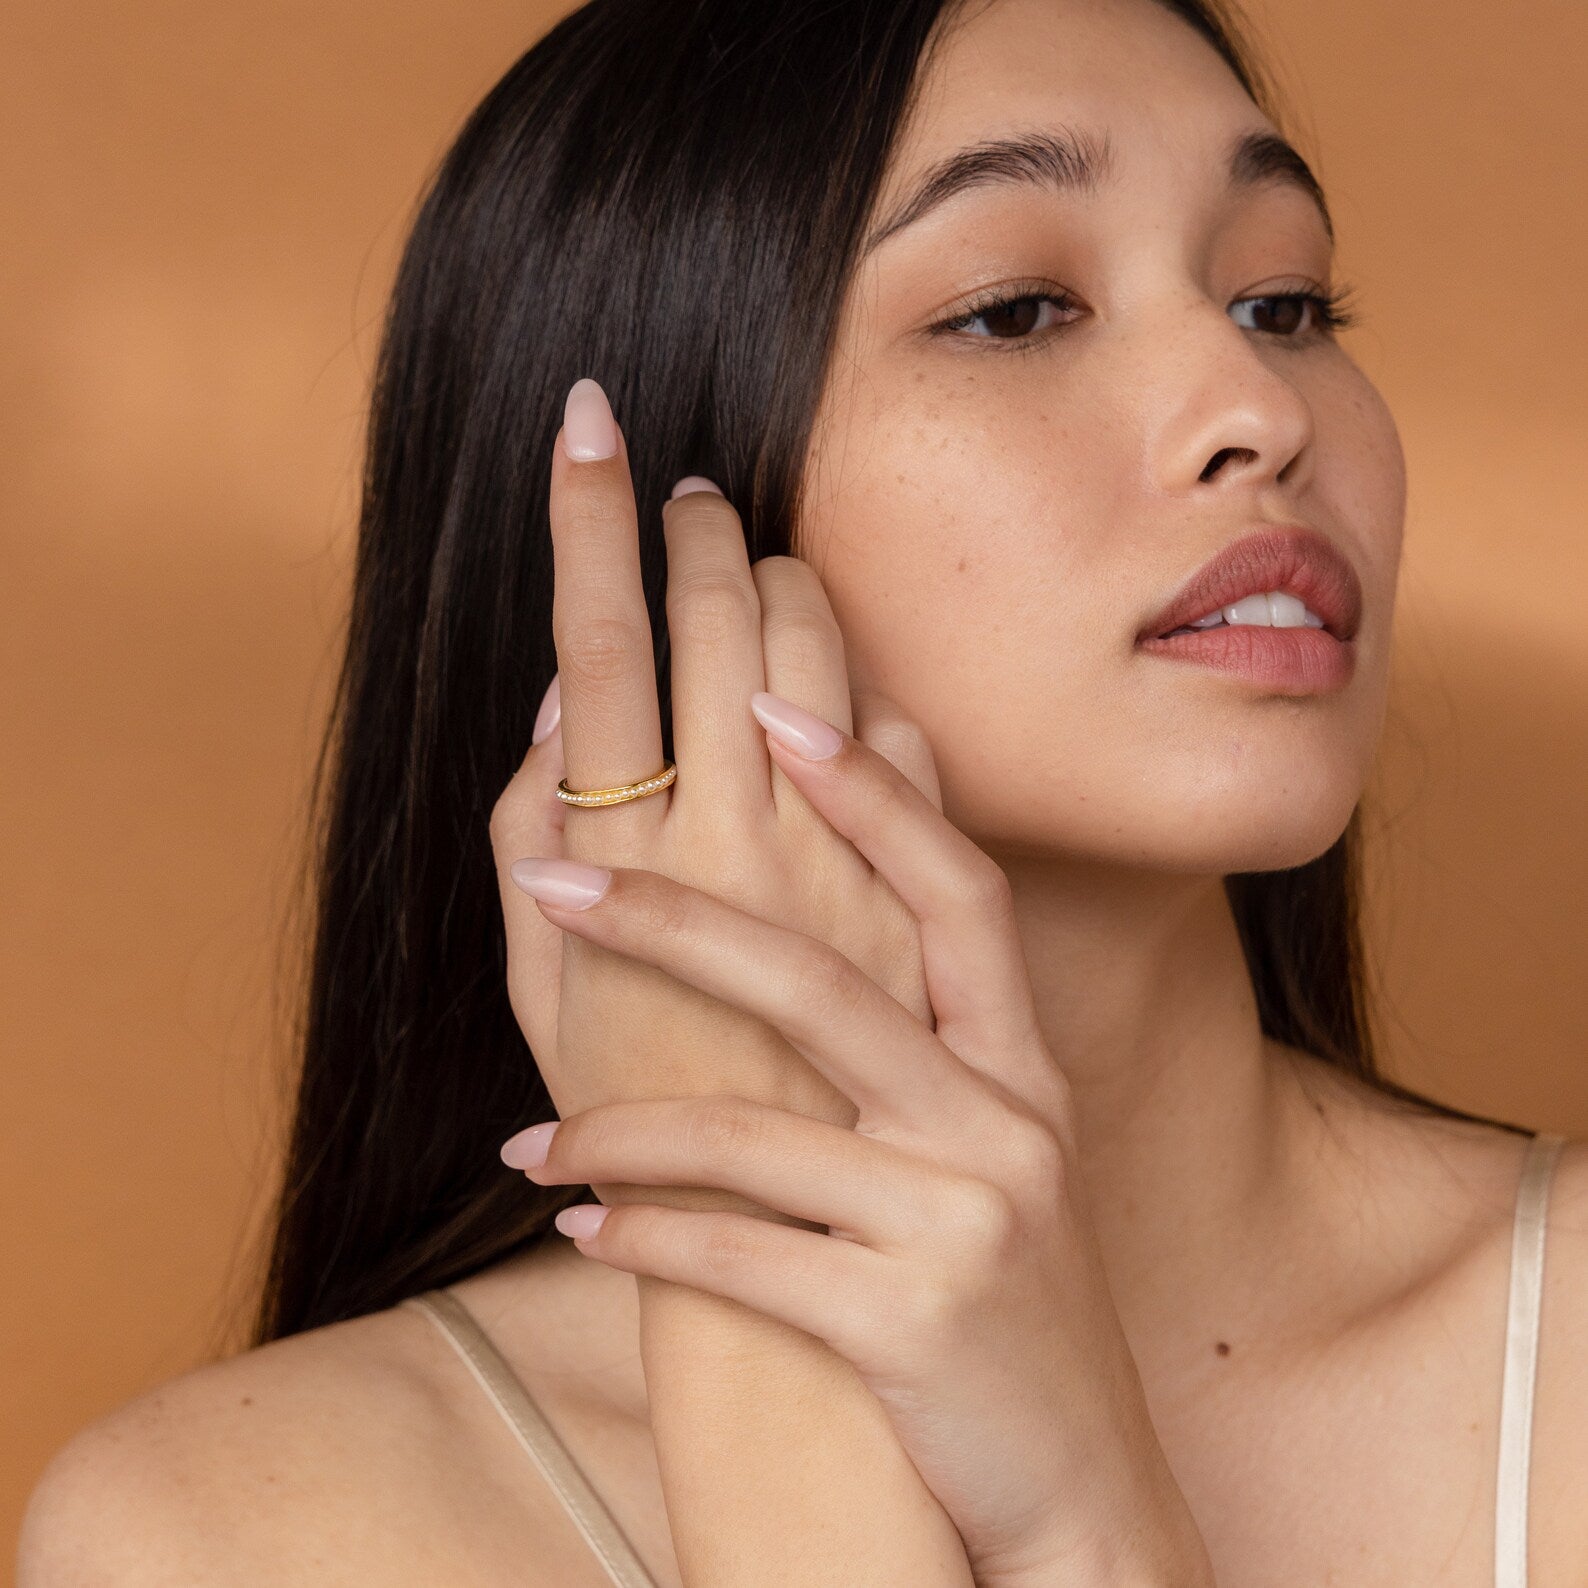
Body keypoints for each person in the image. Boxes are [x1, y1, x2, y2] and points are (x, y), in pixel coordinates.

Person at [19, 0, 1586, 1582]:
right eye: (1018, 310)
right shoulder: (232, 1534)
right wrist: (770, 1390)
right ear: (654, 532)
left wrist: (1088, 1514)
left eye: (1285, 300)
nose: (1264, 409)